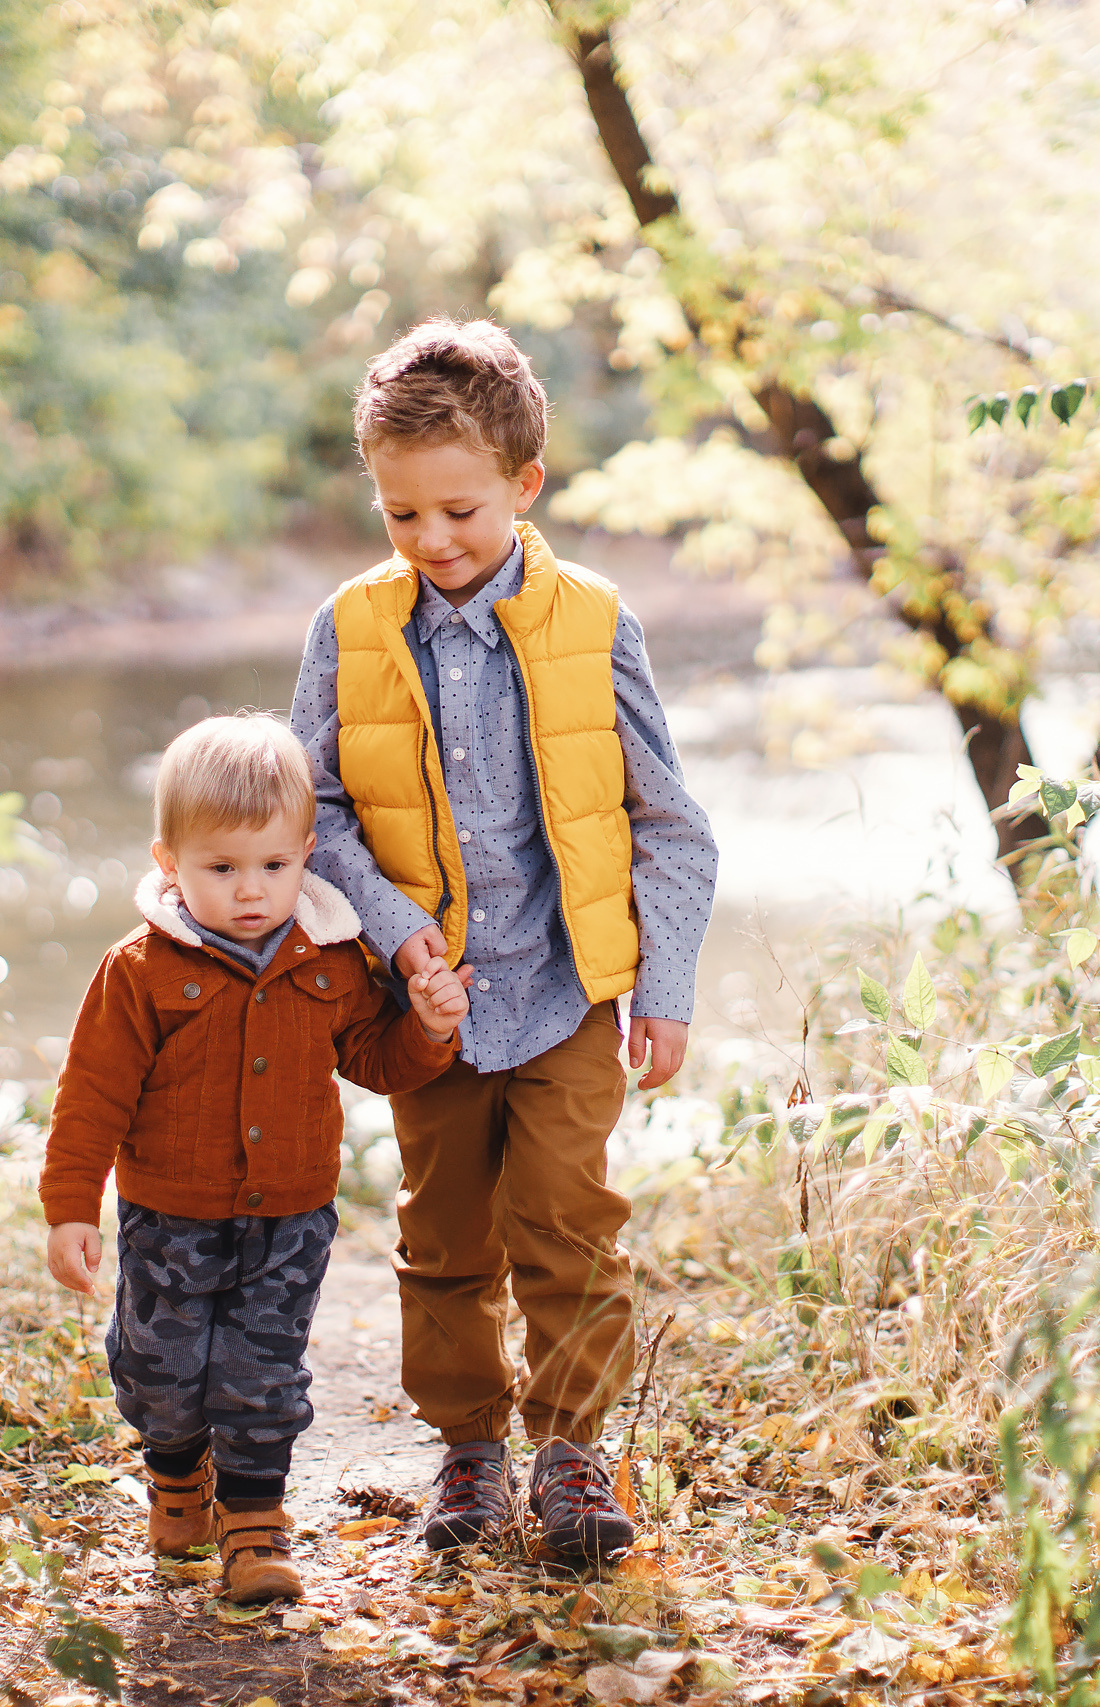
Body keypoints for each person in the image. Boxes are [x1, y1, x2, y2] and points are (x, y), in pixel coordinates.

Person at [289, 318, 719, 1566]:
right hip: (425, 1004)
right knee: (445, 1235)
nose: (432, 540)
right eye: (401, 514)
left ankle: (570, 1449)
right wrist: (395, 935)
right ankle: (468, 1449)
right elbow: (311, 808)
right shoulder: (350, 627)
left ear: (526, 485)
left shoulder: (593, 620)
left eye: (459, 511)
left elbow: (668, 820)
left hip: (569, 989)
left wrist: (664, 985)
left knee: (566, 1219)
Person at [39, 713, 471, 1603]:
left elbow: (375, 1060)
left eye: (274, 866)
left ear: (307, 853)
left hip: (290, 1217)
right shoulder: (140, 969)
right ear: (170, 862)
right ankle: (176, 1475)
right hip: (169, 1214)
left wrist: (428, 1030)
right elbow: (91, 1096)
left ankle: (254, 1522)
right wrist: (72, 1206)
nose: (251, 891)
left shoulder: (332, 959)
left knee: (262, 1373)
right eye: (222, 868)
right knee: (159, 1369)